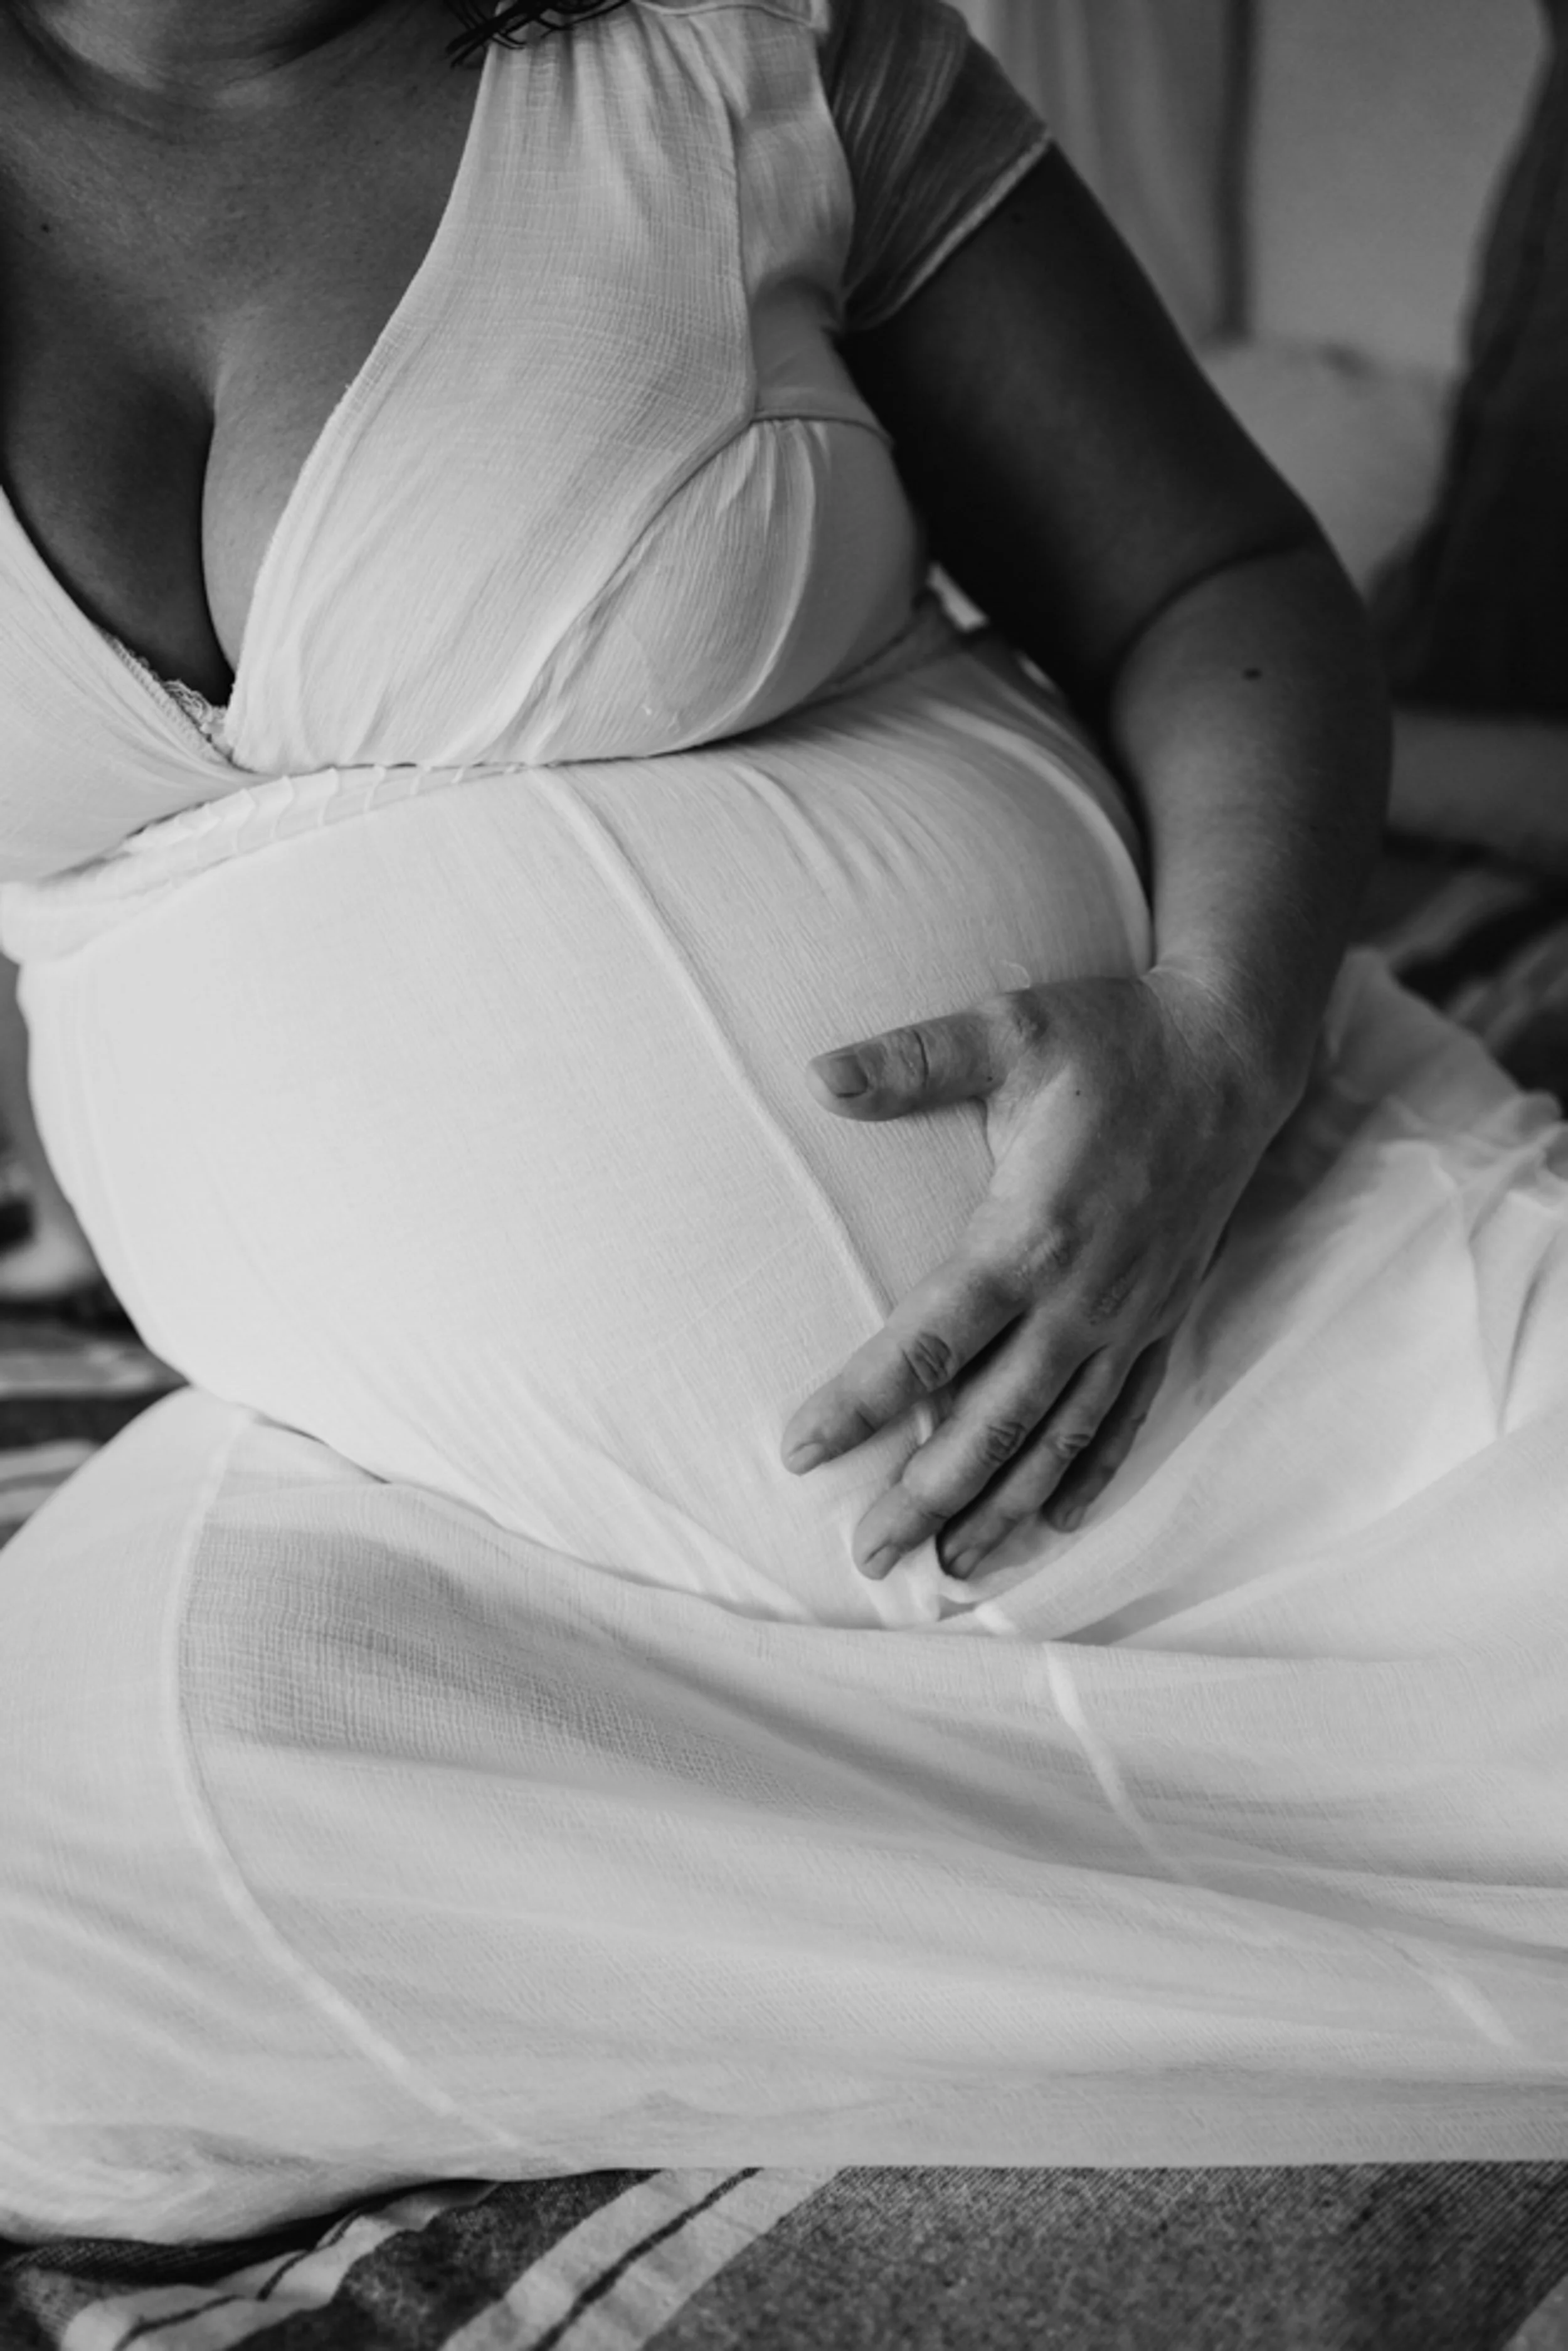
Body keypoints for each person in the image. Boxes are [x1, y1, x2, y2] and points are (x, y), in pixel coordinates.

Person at [0, 0, 1564, 2247]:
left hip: (1252, 1325)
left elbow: (1219, 583)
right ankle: (1191, 1917)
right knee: (44, 1963)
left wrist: (1219, 1045)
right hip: (501, 1575)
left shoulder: (740, 43)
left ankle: (1142, 1927)